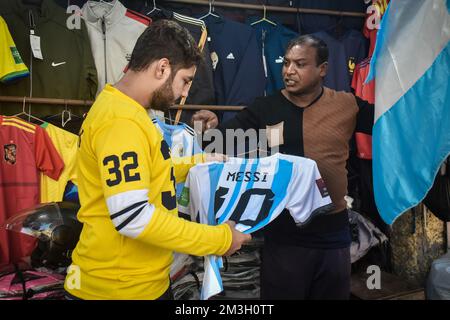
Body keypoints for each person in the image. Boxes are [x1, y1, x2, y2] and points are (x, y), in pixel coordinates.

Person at [64, 20, 251, 300]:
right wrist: (220, 239)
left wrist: (196, 162)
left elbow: (142, 173)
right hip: (117, 291)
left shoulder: (126, 109)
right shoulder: (121, 120)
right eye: (185, 81)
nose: (186, 93)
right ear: (162, 68)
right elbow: (133, 217)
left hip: (134, 284)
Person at [193, 34, 374, 300]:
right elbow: (215, 143)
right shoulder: (266, 108)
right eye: (286, 63)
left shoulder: (347, 105)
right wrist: (205, 125)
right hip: (284, 238)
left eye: (300, 64)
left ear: (322, 69)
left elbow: (389, 124)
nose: (289, 71)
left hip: (334, 236)